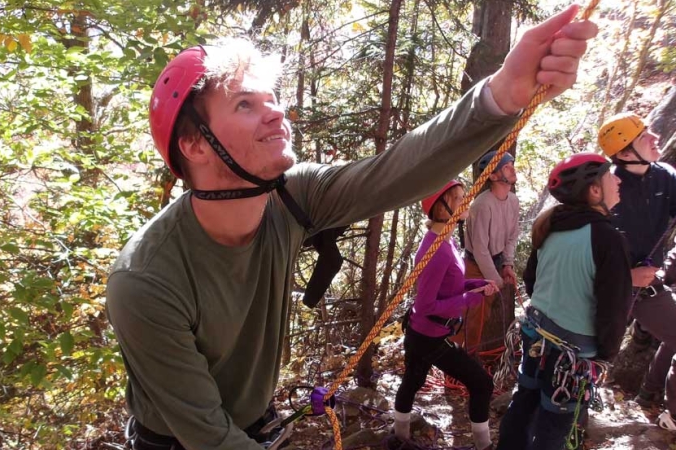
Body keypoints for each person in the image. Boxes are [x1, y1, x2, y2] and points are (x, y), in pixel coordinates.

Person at [105, 7, 598, 449]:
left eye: (271, 98)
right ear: (195, 145)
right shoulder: (147, 280)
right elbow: (207, 434)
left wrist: (502, 94)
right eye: (244, 104)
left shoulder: (290, 197)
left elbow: (394, 172)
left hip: (256, 425)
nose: (276, 110)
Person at [497, 153, 631, 450]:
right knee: (554, 428)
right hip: (574, 352)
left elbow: (533, 281)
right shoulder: (607, 237)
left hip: (537, 334)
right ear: (594, 190)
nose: (618, 180)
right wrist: (605, 356)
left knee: (524, 404)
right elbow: (615, 308)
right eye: (611, 176)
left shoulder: (552, 229)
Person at [599, 113, 676, 441]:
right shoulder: (606, 187)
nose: (655, 136)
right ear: (626, 153)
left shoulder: (665, 176)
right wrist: (627, 276)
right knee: (592, 354)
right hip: (610, 288)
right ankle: (564, 412)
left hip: (648, 289)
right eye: (645, 135)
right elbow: (588, 251)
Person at [393, 181, 498, 449]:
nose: (466, 203)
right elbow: (426, 305)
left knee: (413, 380)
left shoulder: (445, 242)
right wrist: (470, 298)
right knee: (482, 384)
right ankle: (484, 445)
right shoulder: (434, 249)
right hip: (429, 335)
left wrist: (474, 285)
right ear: (443, 206)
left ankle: (400, 436)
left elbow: (447, 288)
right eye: (459, 198)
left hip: (423, 333)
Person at [458, 150, 520, 351]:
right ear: (493, 176)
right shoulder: (482, 205)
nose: (512, 169)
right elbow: (480, 249)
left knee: (483, 316)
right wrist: (496, 279)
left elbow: (512, 236)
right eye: (506, 167)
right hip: (476, 265)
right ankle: (460, 362)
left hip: (495, 260)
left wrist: (507, 264)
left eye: (512, 164)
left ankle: (470, 357)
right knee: (473, 315)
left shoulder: (513, 201)